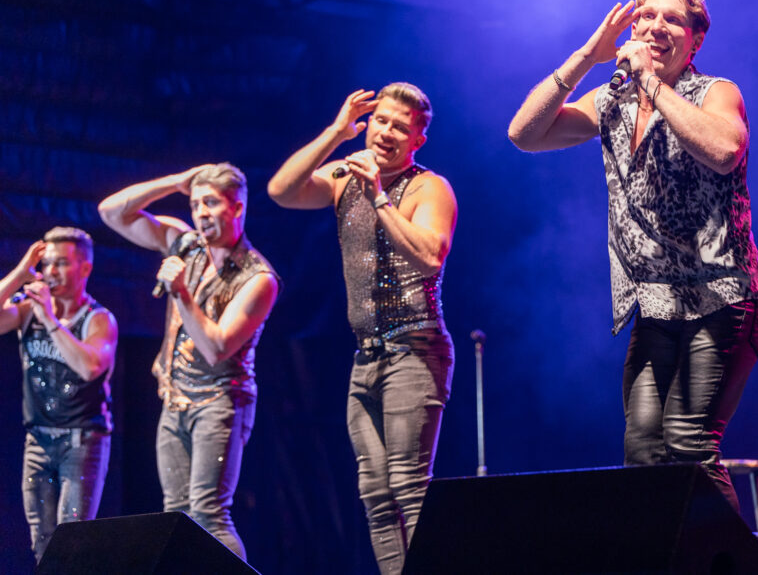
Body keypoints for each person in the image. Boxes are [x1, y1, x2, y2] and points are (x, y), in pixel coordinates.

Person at [507, 0, 758, 511]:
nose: (655, 27)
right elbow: (525, 133)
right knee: (644, 449)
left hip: (724, 297)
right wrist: (587, 55)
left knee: (688, 443)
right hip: (656, 306)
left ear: (695, 38)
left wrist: (653, 83)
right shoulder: (613, 100)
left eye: (672, 19)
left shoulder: (715, 92)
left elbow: (724, 150)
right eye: (645, 16)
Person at [268, 82, 456, 575]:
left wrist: (378, 197)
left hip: (415, 349)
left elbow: (431, 257)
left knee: (408, 486)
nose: (387, 131)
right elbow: (281, 191)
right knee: (374, 492)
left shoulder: (427, 186)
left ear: (417, 139)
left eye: (401, 126)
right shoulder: (343, 175)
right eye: (381, 121)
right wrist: (335, 132)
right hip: (366, 356)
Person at [97, 163, 279, 560]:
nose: (201, 212)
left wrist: (180, 292)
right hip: (175, 399)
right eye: (196, 203)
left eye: (211, 202)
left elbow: (217, 348)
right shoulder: (186, 243)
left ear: (237, 207)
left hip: (220, 402)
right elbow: (112, 212)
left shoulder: (257, 277)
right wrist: (174, 182)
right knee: (176, 515)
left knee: (210, 515)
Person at [0, 227, 118, 562]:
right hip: (37, 440)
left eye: (62, 264)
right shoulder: (26, 310)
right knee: (42, 542)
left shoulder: (98, 319)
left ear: (85, 269)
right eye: (47, 264)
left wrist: (50, 320)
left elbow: (89, 367)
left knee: (72, 541)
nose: (52, 272)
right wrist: (20, 273)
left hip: (81, 441)